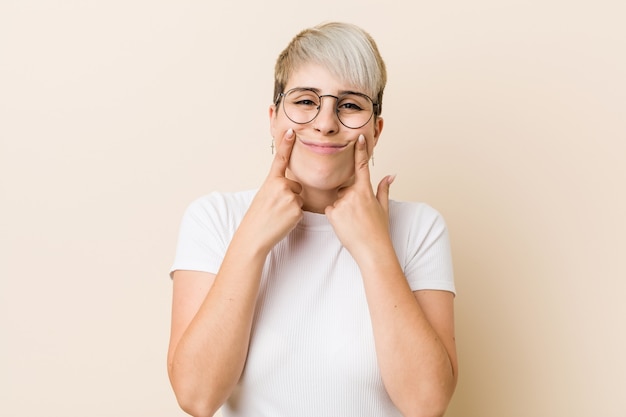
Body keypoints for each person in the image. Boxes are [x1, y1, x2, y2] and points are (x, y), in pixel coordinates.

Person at [167, 22, 458, 417]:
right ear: (273, 117)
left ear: (376, 129)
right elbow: (196, 397)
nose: (325, 123)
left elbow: (427, 403)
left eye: (350, 104)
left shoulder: (420, 228)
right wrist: (251, 240)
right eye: (305, 101)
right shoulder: (214, 218)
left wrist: (374, 250)